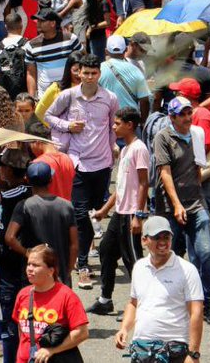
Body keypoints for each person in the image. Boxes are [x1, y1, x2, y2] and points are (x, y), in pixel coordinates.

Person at [43, 52, 117, 290]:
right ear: (79, 73)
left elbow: (113, 127)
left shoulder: (110, 98)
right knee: (81, 214)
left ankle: (83, 255)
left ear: (99, 74)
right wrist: (67, 126)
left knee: (95, 210)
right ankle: (82, 264)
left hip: (103, 164)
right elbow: (48, 115)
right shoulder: (68, 95)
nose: (89, 77)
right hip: (77, 163)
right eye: (85, 72)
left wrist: (113, 150)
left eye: (93, 73)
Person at [152, 95, 210, 325]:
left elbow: (198, 167)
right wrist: (177, 204)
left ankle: (208, 302)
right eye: (182, 114)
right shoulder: (163, 138)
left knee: (206, 253)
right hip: (171, 208)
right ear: (172, 117)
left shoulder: (197, 134)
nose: (188, 117)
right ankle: (173, 300)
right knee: (170, 253)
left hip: (196, 203)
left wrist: (196, 193)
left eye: (189, 113)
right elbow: (165, 173)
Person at [114, 216, 204, 363]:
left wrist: (194, 354)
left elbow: (196, 312)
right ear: (144, 240)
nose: (163, 242)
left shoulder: (187, 270)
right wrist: (124, 329)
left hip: (174, 350)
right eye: (157, 237)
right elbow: (134, 303)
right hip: (141, 349)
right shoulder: (139, 267)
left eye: (166, 237)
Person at [90, 107, 148, 316]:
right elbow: (122, 186)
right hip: (119, 213)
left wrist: (139, 216)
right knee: (106, 250)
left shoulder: (139, 149)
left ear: (129, 125)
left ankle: (143, 304)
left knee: (134, 261)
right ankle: (105, 299)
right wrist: (104, 210)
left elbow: (143, 183)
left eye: (117, 123)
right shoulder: (125, 150)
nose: (114, 127)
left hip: (132, 213)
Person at [13, 244, 89, 363]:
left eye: (36, 265)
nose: (30, 269)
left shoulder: (67, 296)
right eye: (28, 264)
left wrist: (52, 350)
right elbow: (21, 330)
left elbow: (82, 333)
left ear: (50, 271)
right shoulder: (23, 294)